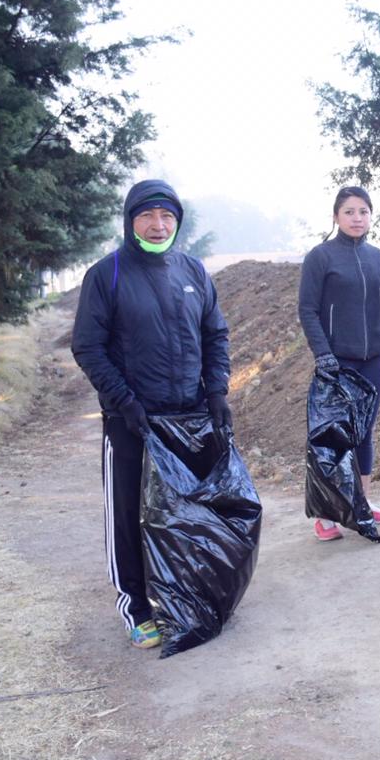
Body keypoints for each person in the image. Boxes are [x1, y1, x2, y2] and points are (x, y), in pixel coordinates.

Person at [71, 179, 232, 648]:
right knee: (128, 513)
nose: (158, 225)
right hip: (132, 420)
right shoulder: (108, 274)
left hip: (187, 416)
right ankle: (136, 607)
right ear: (130, 220)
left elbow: (214, 335)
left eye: (167, 217)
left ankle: (181, 594)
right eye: (147, 216)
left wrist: (216, 392)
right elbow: (88, 346)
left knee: (183, 512)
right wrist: (125, 401)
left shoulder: (193, 271)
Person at [298, 186, 380, 541]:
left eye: (363, 211)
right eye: (349, 212)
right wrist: (323, 353)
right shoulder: (321, 257)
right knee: (333, 438)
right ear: (336, 217)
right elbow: (308, 310)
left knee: (364, 433)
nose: (357, 218)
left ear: (371, 216)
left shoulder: (377, 258)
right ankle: (327, 514)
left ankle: (362, 502)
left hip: (372, 361)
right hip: (337, 363)